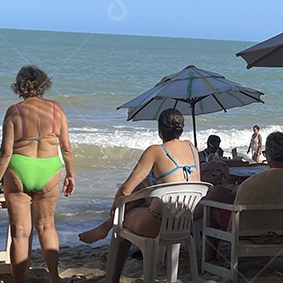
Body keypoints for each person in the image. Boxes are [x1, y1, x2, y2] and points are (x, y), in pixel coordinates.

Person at [85, 108, 199, 283]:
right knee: (146, 186)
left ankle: (112, 277)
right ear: (181, 129)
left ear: (159, 130)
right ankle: (104, 228)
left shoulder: (155, 150)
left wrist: (115, 208)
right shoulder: (192, 148)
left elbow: (125, 190)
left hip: (157, 223)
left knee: (122, 220)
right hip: (183, 221)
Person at [0, 65, 75, 283]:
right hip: (49, 169)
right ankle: (54, 278)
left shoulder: (14, 111)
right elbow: (66, 147)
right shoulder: (57, 109)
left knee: (19, 233)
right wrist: (70, 175)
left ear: (19, 87)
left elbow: (5, 152)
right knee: (47, 225)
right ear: (44, 85)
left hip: (20, 168)